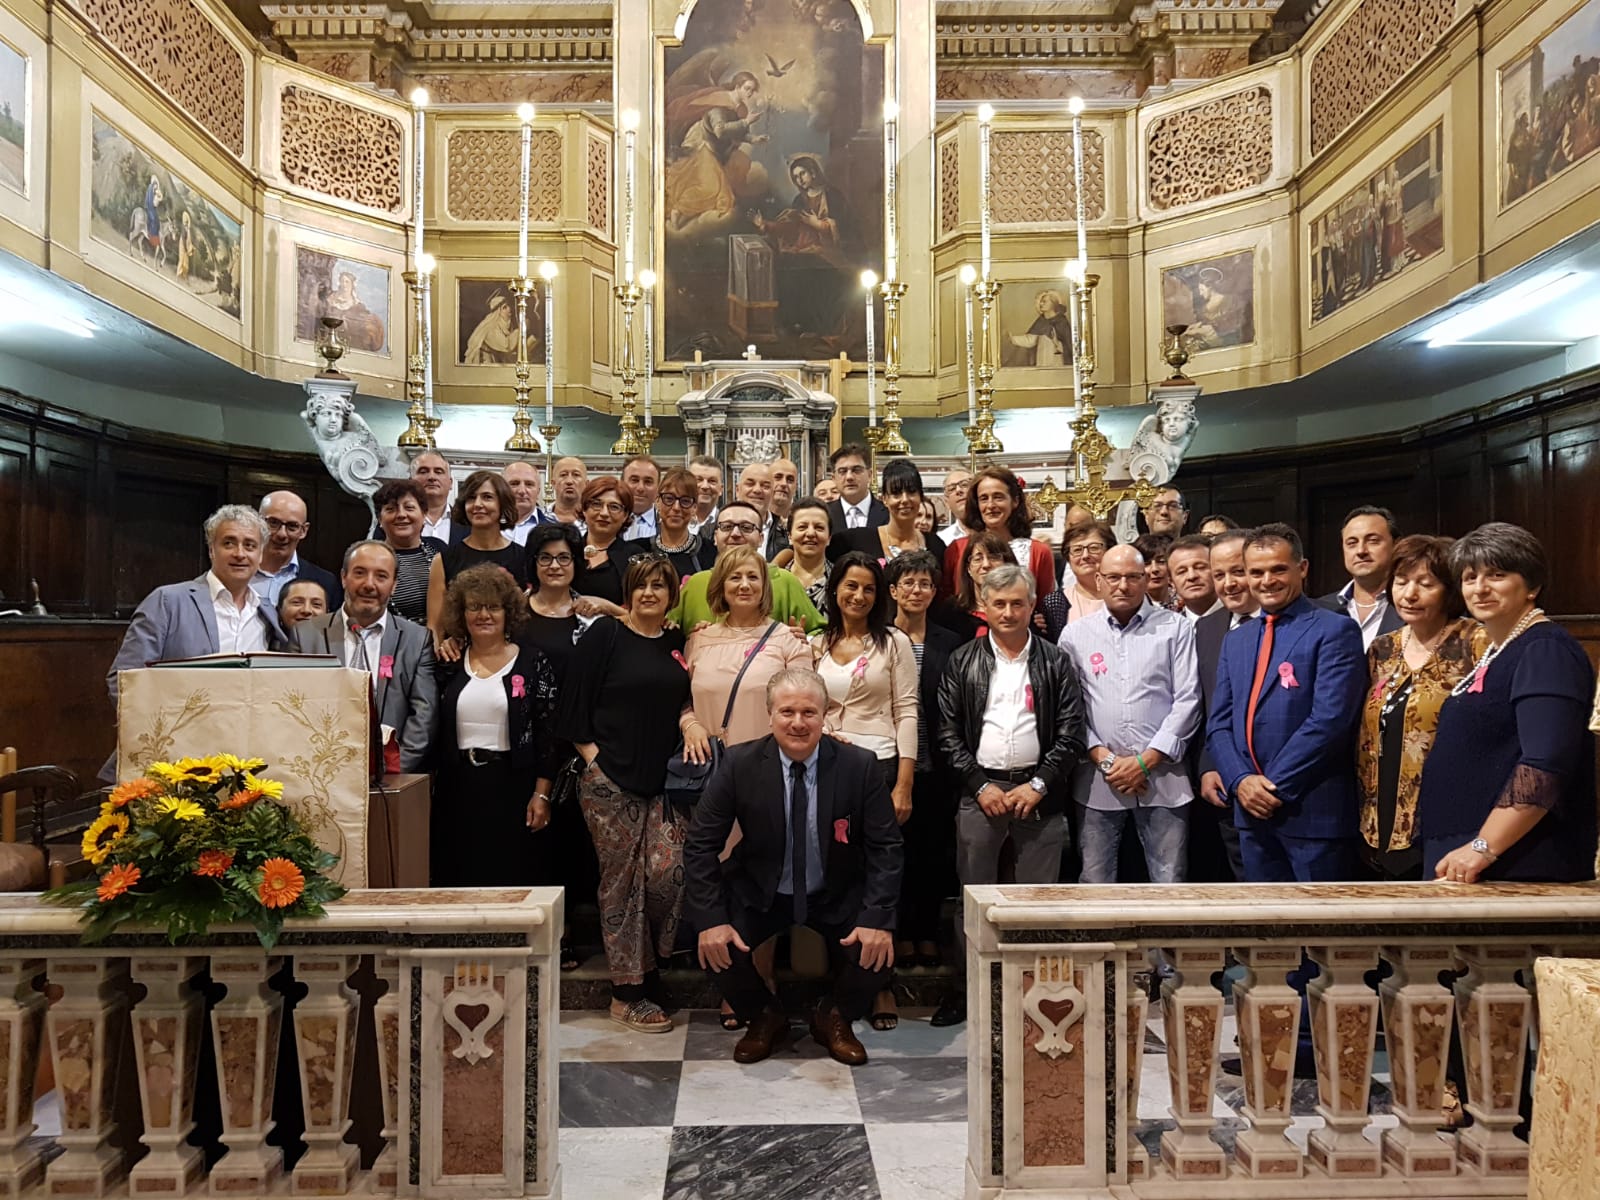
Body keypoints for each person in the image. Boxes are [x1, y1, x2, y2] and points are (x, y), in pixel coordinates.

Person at [687, 669, 902, 1066]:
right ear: (770, 715)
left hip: (833, 890)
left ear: (825, 715)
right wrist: (711, 920)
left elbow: (886, 847)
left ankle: (834, 1015)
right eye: (787, 712)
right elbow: (700, 844)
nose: (798, 723)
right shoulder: (738, 764)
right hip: (761, 890)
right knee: (713, 943)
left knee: (878, 950)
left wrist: (876, 917)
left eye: (809, 712)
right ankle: (764, 1016)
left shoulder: (859, 765)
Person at [934, 565, 1086, 1025]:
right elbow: (946, 732)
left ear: (1032, 604)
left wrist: (1039, 784)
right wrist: (978, 784)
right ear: (983, 606)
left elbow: (1072, 731)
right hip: (980, 791)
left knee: (1038, 901)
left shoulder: (1055, 660)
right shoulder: (963, 660)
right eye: (998, 603)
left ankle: (1036, 994)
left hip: (1039, 792)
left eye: (1017, 603)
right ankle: (967, 990)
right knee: (973, 897)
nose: (1008, 612)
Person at [555, 556, 692, 1032]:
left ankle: (649, 967)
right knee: (620, 883)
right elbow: (572, 705)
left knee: (667, 872)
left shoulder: (675, 641)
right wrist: (595, 760)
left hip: (663, 782)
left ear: (671, 595)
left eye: (659, 585)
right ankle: (626, 992)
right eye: (641, 586)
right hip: (609, 781)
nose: (649, 593)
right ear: (628, 593)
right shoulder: (606, 635)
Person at [1420, 524, 1597, 883]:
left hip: (1517, 859)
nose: (1480, 588)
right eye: (1470, 577)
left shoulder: (1545, 650)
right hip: (1468, 852)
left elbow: (1545, 764)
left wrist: (1483, 847)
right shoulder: (1499, 650)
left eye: (1497, 575)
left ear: (1532, 586)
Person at [1205, 523, 1366, 882]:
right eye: (1256, 572)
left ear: (1302, 568)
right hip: (1250, 814)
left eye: (1278, 569)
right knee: (1263, 916)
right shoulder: (1237, 639)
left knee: (1320, 917)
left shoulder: (1334, 629)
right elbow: (1219, 724)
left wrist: (1270, 787)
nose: (1267, 581)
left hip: (1311, 811)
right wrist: (1240, 781)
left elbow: (1330, 721)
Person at [811, 552, 918, 1030]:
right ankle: (843, 979)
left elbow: (907, 711)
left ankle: (881, 984)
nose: (858, 595)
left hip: (880, 766)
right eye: (850, 586)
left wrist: (904, 783)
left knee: (880, 876)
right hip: (828, 768)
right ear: (835, 589)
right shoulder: (815, 643)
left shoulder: (893, 643)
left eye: (868, 588)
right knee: (837, 875)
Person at [104, 506, 288, 777]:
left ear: (260, 555)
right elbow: (123, 681)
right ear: (212, 550)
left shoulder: (267, 613)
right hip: (173, 761)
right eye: (229, 543)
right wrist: (164, 735)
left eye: (250, 545)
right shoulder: (168, 601)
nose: (240, 553)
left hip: (244, 761)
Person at [1059, 545, 1201, 883]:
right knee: (1095, 879)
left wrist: (1145, 761)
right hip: (1098, 778)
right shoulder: (1075, 635)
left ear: (1146, 579)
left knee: (1170, 879)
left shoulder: (1176, 628)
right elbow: (1070, 709)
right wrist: (1106, 759)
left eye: (1132, 577)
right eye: (1113, 577)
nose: (1123, 585)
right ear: (1099, 580)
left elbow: (1188, 699)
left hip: (1163, 775)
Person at [1356, 536, 1483, 881]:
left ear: (1450, 590)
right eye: (1401, 582)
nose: (1409, 594)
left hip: (1449, 818)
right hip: (1378, 816)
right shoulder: (1382, 648)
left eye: (1426, 584)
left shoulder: (1475, 642)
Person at [430, 564, 558, 886]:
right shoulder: (448, 662)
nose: (484, 615)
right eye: (474, 607)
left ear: (508, 613)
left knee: (510, 876)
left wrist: (541, 795)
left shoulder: (533, 662)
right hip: (457, 788)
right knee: (458, 875)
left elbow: (548, 735)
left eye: (493, 607)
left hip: (513, 787)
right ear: (462, 614)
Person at [520, 520, 597, 971]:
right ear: (533, 563)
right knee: (533, 841)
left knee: (572, 843)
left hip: (577, 741)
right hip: (526, 739)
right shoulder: (516, 612)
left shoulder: (588, 615)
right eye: (545, 558)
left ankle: (567, 934)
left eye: (563, 558)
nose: (554, 565)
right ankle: (533, 930)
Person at [292, 541, 438, 774]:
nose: (369, 584)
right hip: (318, 773)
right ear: (343, 577)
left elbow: (424, 715)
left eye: (381, 576)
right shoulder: (306, 635)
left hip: (390, 778)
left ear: (394, 585)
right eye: (360, 573)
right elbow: (292, 708)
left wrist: (392, 769)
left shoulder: (417, 639)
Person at [885, 551, 963, 970]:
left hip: (936, 765)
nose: (917, 591)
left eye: (925, 584)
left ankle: (927, 933)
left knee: (932, 854)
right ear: (893, 590)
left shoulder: (950, 642)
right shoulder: (878, 638)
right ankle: (897, 933)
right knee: (893, 854)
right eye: (909, 583)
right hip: (888, 764)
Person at [683, 545, 815, 747]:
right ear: (721, 585)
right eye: (735, 577)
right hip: (711, 760)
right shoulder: (698, 640)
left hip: (765, 758)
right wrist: (689, 724)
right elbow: (683, 700)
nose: (744, 585)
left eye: (753, 577)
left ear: (764, 586)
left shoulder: (789, 640)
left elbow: (804, 705)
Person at [1190, 529, 1255, 881]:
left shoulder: (1300, 623)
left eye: (1238, 571)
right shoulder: (1206, 628)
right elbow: (1204, 706)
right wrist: (1207, 766)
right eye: (1219, 575)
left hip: (1281, 784)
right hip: (1223, 782)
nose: (1228, 583)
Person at [671, 500, 825, 632]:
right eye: (727, 527)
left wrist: (802, 640)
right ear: (715, 537)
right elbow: (666, 632)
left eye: (746, 527)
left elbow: (820, 632)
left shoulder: (785, 582)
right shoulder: (695, 584)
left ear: (761, 538)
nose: (735, 534)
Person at [426, 470, 527, 654]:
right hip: (458, 657)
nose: (478, 504)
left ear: (502, 503)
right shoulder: (444, 560)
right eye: (471, 498)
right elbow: (435, 627)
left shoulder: (523, 557)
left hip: (512, 656)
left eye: (487, 497)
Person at [947, 467, 1056, 610]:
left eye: (998, 497)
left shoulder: (1039, 552)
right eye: (984, 498)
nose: (990, 505)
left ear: (1015, 501)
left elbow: (1045, 607)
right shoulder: (957, 549)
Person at [830, 459, 944, 570]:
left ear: (920, 496)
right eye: (896, 493)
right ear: (884, 499)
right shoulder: (857, 541)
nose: (905, 499)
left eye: (911, 492)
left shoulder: (935, 545)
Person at [1322, 505, 1404, 650]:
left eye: (1373, 541)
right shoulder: (1319, 609)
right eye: (1352, 543)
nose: (1361, 551)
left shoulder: (1411, 605)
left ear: (1396, 545)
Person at [251, 490, 341, 611]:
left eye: (292, 526)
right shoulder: (234, 571)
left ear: (304, 531)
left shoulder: (325, 582)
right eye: (273, 523)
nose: (282, 534)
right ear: (258, 523)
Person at [375, 479, 445, 623]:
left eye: (409, 508)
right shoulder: (371, 557)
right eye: (391, 509)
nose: (401, 514)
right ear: (380, 519)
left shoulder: (439, 549)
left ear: (424, 514)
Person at [631, 466, 714, 579]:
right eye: (669, 499)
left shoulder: (710, 552)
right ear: (657, 502)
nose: (676, 507)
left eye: (685, 501)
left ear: (694, 507)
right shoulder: (638, 550)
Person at [573, 477, 636, 612]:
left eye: (614, 507)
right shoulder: (567, 549)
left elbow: (641, 616)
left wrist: (607, 607)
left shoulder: (635, 558)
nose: (604, 513)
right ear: (584, 509)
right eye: (597, 504)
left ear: (625, 515)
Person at [947, 531, 1018, 642]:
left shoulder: (1021, 610)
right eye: (978, 559)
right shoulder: (951, 611)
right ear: (968, 569)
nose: (986, 565)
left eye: (993, 557)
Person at [780, 499, 833, 616]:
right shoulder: (774, 582)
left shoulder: (840, 581)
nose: (810, 533)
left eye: (819, 527)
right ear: (789, 536)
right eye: (802, 527)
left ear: (829, 538)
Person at [825, 443, 888, 532]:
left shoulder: (889, 513)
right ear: (834, 478)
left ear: (870, 475)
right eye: (842, 471)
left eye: (856, 470)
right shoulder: (824, 514)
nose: (849, 477)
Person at [735, 462, 786, 561]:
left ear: (772, 493)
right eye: (750, 484)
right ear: (737, 490)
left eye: (765, 486)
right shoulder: (719, 528)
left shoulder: (785, 531)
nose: (757, 490)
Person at [411, 450, 461, 544]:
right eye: (423, 472)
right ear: (411, 481)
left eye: (438, 472)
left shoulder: (466, 522)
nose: (432, 477)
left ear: (450, 483)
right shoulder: (397, 521)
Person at [1168, 534, 1218, 621]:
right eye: (1182, 572)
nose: (1192, 576)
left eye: (1200, 567)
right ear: (1171, 581)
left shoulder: (1239, 619)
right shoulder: (1171, 626)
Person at [503, 461, 553, 544]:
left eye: (529, 484)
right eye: (514, 484)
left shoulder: (554, 531)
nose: (522, 491)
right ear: (502, 489)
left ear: (538, 491)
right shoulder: (486, 526)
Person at [619, 455, 661, 543]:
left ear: (658, 488)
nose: (640, 488)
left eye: (648, 481)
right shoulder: (608, 521)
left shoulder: (669, 526)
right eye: (634, 480)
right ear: (621, 484)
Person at [1133, 532, 1179, 610]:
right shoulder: (1130, 607)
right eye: (1146, 563)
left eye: (1161, 561)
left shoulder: (1185, 601)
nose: (1154, 569)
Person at [688, 454, 724, 534]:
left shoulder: (727, 524)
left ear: (721, 489)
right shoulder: (671, 522)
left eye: (712, 481)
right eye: (698, 480)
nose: (705, 486)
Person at [550, 456, 589, 526]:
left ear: (586, 484)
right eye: (563, 475)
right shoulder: (539, 517)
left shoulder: (593, 520)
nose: (569, 481)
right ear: (553, 483)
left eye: (576, 475)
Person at [939, 470, 974, 543]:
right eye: (952, 489)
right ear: (947, 503)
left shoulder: (995, 530)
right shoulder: (942, 540)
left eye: (964, 485)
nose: (958, 490)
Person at [770, 458, 799, 524]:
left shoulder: (802, 520)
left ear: (796, 487)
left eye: (790, 480)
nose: (784, 484)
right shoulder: (755, 519)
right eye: (778, 477)